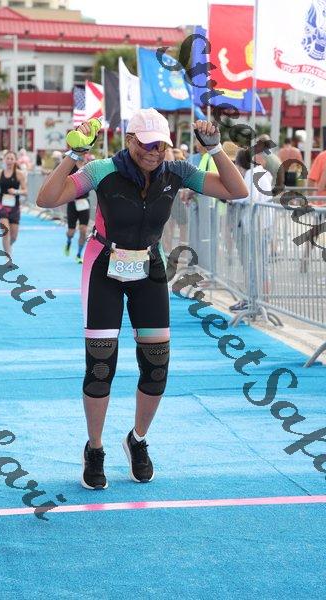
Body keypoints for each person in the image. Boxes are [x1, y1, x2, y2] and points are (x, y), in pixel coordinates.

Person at [36, 108, 247, 490]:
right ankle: (95, 448)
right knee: (101, 366)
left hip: (149, 269)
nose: (154, 152)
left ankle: (137, 440)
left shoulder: (177, 172)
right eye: (146, 145)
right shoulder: (102, 170)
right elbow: (47, 198)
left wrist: (215, 149)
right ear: (130, 141)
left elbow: (237, 191)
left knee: (156, 366)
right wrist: (73, 155)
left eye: (160, 145)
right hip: (103, 267)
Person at [229, 148, 273, 311]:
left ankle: (254, 300)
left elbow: (248, 197)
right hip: (262, 224)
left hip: (257, 225)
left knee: (254, 264)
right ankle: (259, 301)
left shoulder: (251, 174)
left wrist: (232, 199)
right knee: (259, 264)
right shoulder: (261, 172)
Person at [0, 150, 27, 259]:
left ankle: (9, 246)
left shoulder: (19, 174)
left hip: (15, 207)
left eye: (12, 159)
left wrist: (16, 191)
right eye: (8, 158)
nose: (9, 161)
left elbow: (25, 191)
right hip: (2, 205)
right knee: (5, 231)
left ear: (15, 161)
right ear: (4, 160)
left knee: (14, 236)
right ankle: (7, 255)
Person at [64, 155, 90, 264]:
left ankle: (79, 254)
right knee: (71, 231)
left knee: (83, 230)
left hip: (84, 203)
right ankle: (69, 241)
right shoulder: (71, 167)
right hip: (72, 202)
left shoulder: (88, 167)